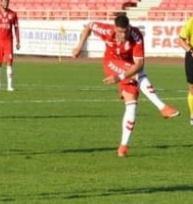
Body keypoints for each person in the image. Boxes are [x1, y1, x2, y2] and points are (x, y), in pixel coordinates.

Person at [72, 13, 180, 156]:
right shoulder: (106, 30)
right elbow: (89, 26)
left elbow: (139, 64)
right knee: (138, 74)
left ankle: (123, 146)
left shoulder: (136, 35)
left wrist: (121, 77)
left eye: (126, 31)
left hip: (127, 68)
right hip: (111, 62)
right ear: (115, 29)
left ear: (129, 27)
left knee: (132, 104)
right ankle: (162, 107)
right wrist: (79, 46)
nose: (124, 34)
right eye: (120, 31)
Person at [0, 0, 20, 91]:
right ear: (1, 3)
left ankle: (9, 86)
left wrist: (18, 40)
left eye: (7, 2)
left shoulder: (13, 14)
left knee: (9, 63)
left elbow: (16, 28)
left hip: (8, 42)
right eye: (4, 2)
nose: (5, 4)